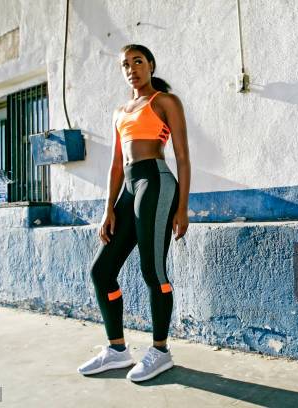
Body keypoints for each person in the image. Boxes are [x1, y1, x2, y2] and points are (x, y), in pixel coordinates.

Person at [77, 44, 190, 382]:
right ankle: (116, 350)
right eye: (125, 64)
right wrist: (107, 208)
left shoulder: (165, 102)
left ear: (151, 65)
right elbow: (115, 164)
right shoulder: (120, 111)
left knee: (152, 270)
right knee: (101, 270)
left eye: (138, 62)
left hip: (155, 182)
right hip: (128, 188)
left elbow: (182, 158)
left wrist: (182, 208)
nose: (131, 69)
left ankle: (160, 351)